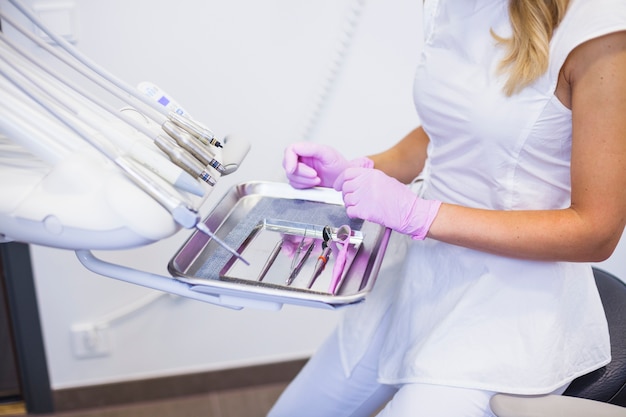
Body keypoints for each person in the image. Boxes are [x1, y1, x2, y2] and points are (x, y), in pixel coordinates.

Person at [267, 0, 626, 416]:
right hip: (417, 279)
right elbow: (455, 124)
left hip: (509, 313)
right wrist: (356, 172)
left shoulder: (599, 33)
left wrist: (421, 215)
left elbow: (595, 232)